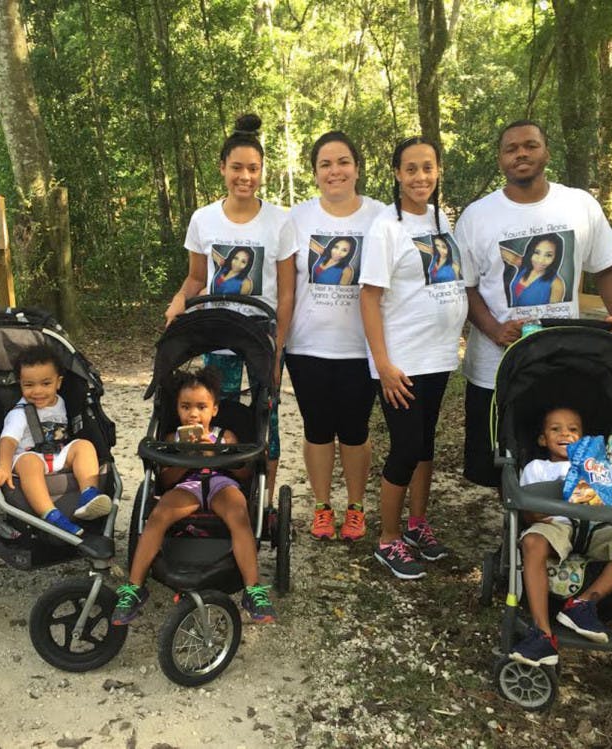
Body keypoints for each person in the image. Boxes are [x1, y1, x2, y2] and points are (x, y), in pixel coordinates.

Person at [457, 120, 612, 491]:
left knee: (562, 452)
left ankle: (566, 518)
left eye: (530, 145)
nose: (521, 154)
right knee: (501, 460)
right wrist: (494, 329)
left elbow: (608, 267)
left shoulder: (579, 205)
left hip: (564, 363)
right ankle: (518, 522)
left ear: (546, 152)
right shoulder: (477, 216)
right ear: (500, 159)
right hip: (497, 365)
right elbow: (466, 287)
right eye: (511, 149)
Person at [164, 113, 297, 500]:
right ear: (222, 167)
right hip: (217, 332)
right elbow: (195, 278)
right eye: (237, 167)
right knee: (212, 411)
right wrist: (178, 302)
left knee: (266, 417)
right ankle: (211, 486)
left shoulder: (279, 221)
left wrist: (278, 348)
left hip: (261, 335)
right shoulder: (203, 219)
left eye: (253, 169)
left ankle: (263, 502)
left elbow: (286, 293)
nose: (245, 176)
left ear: (262, 171)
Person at [359, 136, 468, 579]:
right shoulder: (386, 227)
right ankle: (387, 539)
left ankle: (417, 524)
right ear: (397, 174)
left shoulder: (443, 220)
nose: (420, 176)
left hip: (437, 356)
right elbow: (369, 298)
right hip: (401, 362)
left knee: (425, 444)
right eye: (410, 169)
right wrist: (383, 365)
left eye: (428, 167)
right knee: (405, 447)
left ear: (438, 170)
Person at [112, 367, 277, 625]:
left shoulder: (225, 436)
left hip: (222, 483)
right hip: (187, 485)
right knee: (158, 515)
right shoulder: (172, 438)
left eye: (201, 407)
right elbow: (166, 480)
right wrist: (186, 456)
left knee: (238, 514)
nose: (193, 414)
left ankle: (253, 589)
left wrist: (216, 452)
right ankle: (134, 587)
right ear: (177, 409)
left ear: (214, 409)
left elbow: (245, 473)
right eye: (185, 407)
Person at [287, 131, 384, 542]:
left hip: (361, 346)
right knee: (317, 429)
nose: (335, 171)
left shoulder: (382, 216)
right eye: (325, 164)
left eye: (343, 161)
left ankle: (356, 507)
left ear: (357, 168)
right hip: (306, 345)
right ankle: (323, 506)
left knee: (356, 430)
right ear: (314, 173)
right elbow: (284, 284)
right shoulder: (297, 218)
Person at [510, 406, 612, 666]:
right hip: (558, 526)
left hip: (601, 527)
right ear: (543, 439)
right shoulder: (537, 468)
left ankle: (583, 604)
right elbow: (528, 510)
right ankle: (542, 633)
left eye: (573, 429)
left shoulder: (601, 467)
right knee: (532, 541)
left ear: (584, 437)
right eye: (555, 429)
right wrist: (534, 515)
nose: (565, 434)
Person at [0, 344, 112, 536]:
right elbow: (8, 441)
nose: (38, 391)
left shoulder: (61, 402)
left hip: (58, 454)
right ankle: (51, 514)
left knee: (84, 446)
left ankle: (88, 494)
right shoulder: (19, 414)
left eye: (46, 384)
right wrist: (3, 466)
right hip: (29, 457)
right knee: (29, 462)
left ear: (58, 382)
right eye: (29, 385)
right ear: (20, 384)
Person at [500, 232, 566, 306]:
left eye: (548, 255)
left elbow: (555, 312)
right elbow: (501, 252)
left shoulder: (557, 284)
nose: (540, 260)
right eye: (536, 252)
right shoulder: (524, 265)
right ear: (531, 251)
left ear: (556, 257)